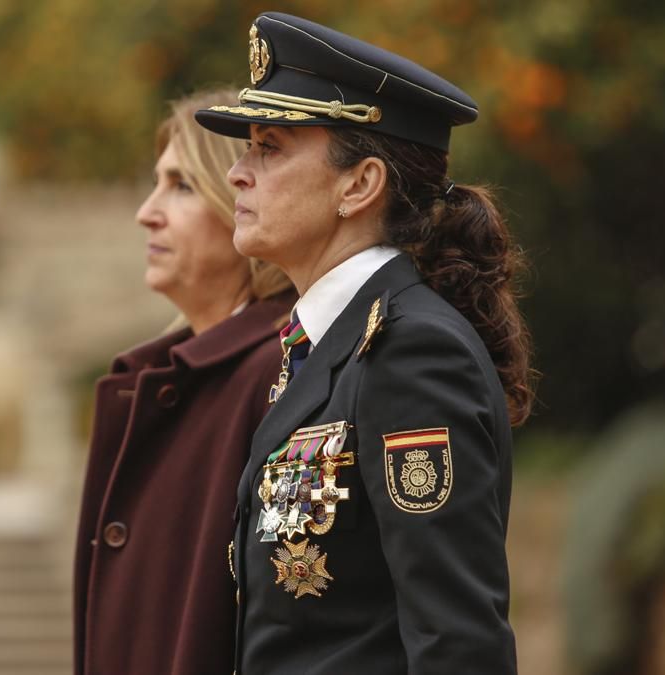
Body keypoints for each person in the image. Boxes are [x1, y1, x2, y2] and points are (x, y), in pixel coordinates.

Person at [194, 12, 535, 674]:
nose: (237, 172)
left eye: (270, 148)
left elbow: (458, 644)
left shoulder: (411, 352)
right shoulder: (328, 345)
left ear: (359, 185)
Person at [72, 88, 296, 675]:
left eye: (182, 186)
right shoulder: (155, 379)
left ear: (244, 202)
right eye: (157, 183)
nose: (147, 212)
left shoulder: (282, 372)